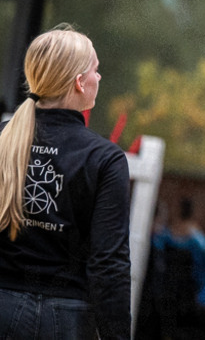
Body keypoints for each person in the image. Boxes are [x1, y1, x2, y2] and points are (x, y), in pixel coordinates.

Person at [0, 24, 131, 339]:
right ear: (79, 82)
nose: (99, 78)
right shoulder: (105, 158)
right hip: (67, 320)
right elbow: (108, 264)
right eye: (95, 70)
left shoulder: (3, 139)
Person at [147, 197, 205, 338]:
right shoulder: (164, 236)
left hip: (185, 297)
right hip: (164, 294)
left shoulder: (198, 242)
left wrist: (203, 297)